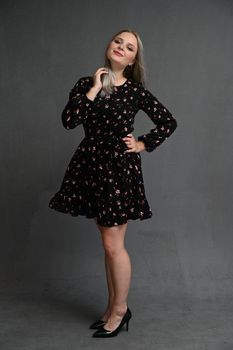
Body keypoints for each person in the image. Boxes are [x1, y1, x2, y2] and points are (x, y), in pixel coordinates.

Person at [48, 29, 178, 338]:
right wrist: (94, 88)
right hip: (92, 166)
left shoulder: (135, 91)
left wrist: (143, 143)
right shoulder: (85, 84)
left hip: (118, 169)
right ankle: (113, 307)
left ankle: (120, 311)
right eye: (118, 41)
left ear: (134, 58)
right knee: (109, 246)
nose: (121, 47)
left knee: (113, 245)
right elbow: (69, 120)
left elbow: (167, 122)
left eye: (129, 46)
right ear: (109, 46)